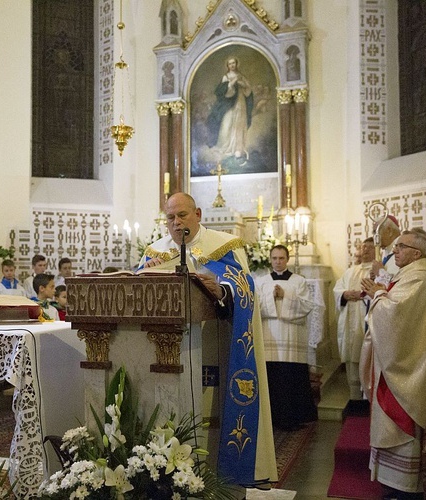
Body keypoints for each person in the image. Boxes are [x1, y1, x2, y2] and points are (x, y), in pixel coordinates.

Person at [137, 192, 277, 486]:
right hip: (166, 351)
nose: (177, 223)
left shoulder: (224, 246)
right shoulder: (154, 253)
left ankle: (221, 472)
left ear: (198, 214)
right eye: (170, 218)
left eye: (183, 215)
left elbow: (244, 291)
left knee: (211, 413)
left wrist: (222, 290)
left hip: (214, 348)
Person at [360, 230, 426, 496]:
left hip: (409, 366)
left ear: (416, 253)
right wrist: (381, 292)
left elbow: (396, 317)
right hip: (402, 360)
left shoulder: (419, 278)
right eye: (396, 246)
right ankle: (394, 484)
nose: (395, 250)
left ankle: (404, 487)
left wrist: (378, 295)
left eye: (401, 247)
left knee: (404, 421)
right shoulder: (408, 274)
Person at [255, 244, 319, 430]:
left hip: (292, 339)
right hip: (270, 336)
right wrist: (271, 296)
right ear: (270, 259)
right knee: (273, 378)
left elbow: (307, 306)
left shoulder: (299, 281)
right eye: (274, 258)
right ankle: (271, 419)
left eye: (281, 258)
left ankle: (292, 418)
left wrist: (285, 295)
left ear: (287, 259)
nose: (278, 262)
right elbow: (256, 305)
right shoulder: (261, 281)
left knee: (290, 378)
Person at [373, 217, 426, 350]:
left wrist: (380, 277)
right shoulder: (391, 257)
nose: (374, 237)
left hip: (423, 329)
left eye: (376, 232)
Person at [333, 237, 375, 402]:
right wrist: (345, 294)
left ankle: (369, 403)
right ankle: (355, 400)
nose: (365, 250)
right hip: (350, 320)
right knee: (352, 361)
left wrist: (363, 295)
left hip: (366, 321)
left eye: (370, 247)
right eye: (363, 247)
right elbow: (337, 289)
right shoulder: (351, 271)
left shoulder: (379, 270)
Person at [206, 57, 254, 160]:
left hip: (240, 102)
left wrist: (241, 83)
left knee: (239, 124)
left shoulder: (241, 76)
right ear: (227, 66)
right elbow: (222, 91)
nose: (232, 65)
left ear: (237, 64)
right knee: (227, 123)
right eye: (230, 64)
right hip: (229, 103)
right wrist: (231, 83)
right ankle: (224, 147)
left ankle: (238, 149)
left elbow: (248, 90)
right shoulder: (226, 76)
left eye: (233, 63)